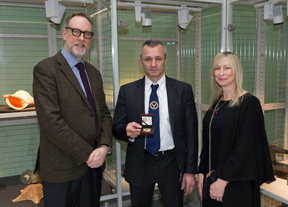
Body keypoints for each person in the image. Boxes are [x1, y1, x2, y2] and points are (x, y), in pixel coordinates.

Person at [33, 12, 112, 207]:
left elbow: (103, 114)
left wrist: (103, 147)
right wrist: (90, 153)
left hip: (93, 168)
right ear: (65, 34)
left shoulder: (93, 73)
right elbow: (51, 123)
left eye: (87, 34)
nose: (81, 38)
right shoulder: (46, 69)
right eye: (76, 31)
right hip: (62, 170)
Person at [112, 39, 198, 207]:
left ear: (165, 60)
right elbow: (116, 128)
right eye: (148, 59)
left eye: (158, 58)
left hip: (172, 162)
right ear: (140, 62)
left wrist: (190, 170)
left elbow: (191, 134)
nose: (153, 64)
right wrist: (127, 131)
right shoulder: (127, 91)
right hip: (140, 161)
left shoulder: (183, 90)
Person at [197, 51, 275, 207]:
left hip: (236, 185)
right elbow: (209, 142)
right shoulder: (216, 103)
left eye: (227, 68)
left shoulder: (249, 103)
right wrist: (201, 172)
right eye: (217, 68)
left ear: (236, 71)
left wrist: (222, 180)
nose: (221, 73)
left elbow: (245, 149)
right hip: (212, 182)